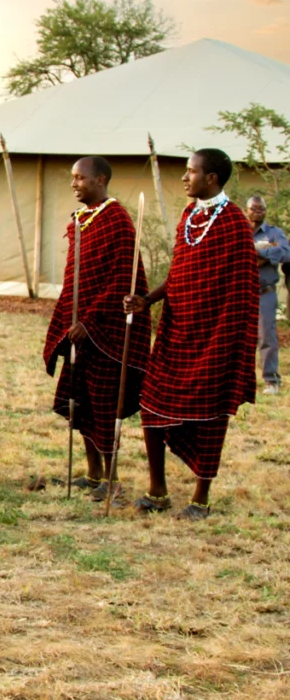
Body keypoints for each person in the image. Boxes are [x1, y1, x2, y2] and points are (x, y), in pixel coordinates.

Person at [124, 148, 257, 520]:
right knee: (151, 404)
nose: (184, 178)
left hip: (215, 335)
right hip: (177, 329)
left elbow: (242, 290)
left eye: (191, 172)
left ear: (211, 178)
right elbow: (180, 272)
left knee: (209, 415)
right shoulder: (189, 216)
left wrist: (228, 340)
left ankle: (201, 499)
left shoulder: (233, 223)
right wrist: (147, 300)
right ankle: (158, 491)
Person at [43, 157, 151, 502]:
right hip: (79, 326)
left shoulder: (116, 220)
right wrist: (71, 320)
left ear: (100, 180)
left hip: (106, 330)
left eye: (80, 178)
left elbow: (123, 277)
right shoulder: (81, 220)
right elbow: (77, 278)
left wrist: (90, 322)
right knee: (82, 403)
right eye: (72, 178)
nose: (74, 184)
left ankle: (113, 480)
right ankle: (92, 474)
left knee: (105, 406)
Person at [245, 195, 290, 394]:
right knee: (239, 338)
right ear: (247, 210)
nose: (258, 211)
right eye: (254, 208)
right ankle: (242, 382)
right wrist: (262, 251)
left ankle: (271, 380)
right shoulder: (240, 231)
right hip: (241, 293)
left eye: (262, 208)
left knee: (267, 337)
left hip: (265, 292)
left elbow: (286, 253)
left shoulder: (274, 233)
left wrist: (259, 253)